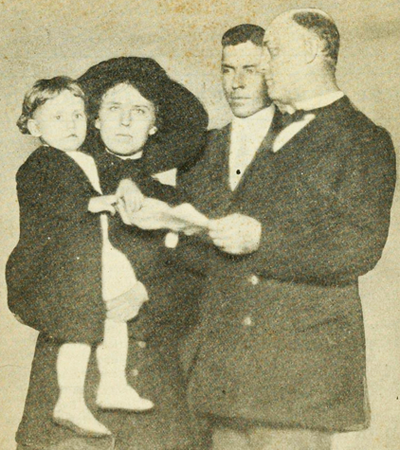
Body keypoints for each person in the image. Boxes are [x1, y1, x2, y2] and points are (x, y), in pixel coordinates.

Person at [176, 11, 396, 450]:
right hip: (228, 377)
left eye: (272, 53)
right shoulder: (260, 133)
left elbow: (359, 246)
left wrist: (261, 240)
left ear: (311, 53)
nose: (263, 66)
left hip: (296, 381)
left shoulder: (361, 137)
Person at [10, 58, 208, 450]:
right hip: (69, 389)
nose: (124, 122)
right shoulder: (58, 178)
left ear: (155, 124)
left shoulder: (173, 202)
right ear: (95, 119)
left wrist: (146, 294)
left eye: (139, 111)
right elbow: (24, 275)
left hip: (149, 389)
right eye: (113, 109)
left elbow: (195, 291)